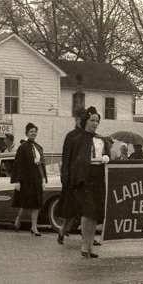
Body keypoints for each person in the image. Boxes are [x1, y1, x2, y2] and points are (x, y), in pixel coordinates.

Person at [69, 106, 111, 258]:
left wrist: (106, 157)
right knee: (87, 212)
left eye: (97, 121)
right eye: (92, 120)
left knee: (94, 214)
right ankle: (84, 246)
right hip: (85, 178)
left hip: (98, 177)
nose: (95, 123)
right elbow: (76, 160)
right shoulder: (79, 139)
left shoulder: (101, 139)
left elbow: (106, 155)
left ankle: (90, 246)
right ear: (86, 121)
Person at [11, 123, 47, 236]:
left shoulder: (39, 147)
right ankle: (18, 218)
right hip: (26, 180)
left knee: (36, 204)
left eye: (35, 131)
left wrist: (44, 179)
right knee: (25, 204)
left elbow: (42, 164)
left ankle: (34, 227)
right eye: (31, 131)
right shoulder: (23, 147)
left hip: (36, 179)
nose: (33, 133)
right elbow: (18, 164)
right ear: (27, 133)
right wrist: (17, 181)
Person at [57, 108, 86, 244]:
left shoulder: (88, 135)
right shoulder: (71, 136)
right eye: (79, 118)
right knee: (71, 211)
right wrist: (65, 177)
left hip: (84, 178)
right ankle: (62, 232)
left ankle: (87, 237)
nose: (81, 121)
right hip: (72, 179)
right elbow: (66, 157)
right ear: (76, 119)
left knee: (85, 210)